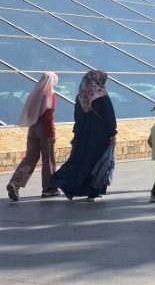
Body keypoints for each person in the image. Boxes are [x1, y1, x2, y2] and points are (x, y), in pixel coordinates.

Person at [49, 70, 117, 202]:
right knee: (97, 163)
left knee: (80, 161)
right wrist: (113, 133)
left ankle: (66, 185)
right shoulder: (102, 96)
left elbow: (77, 117)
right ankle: (93, 193)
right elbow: (109, 117)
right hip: (99, 136)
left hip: (82, 134)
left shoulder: (80, 96)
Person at [6, 72, 59, 201]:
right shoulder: (50, 95)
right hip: (45, 130)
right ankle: (49, 189)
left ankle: (15, 183)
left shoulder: (34, 95)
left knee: (30, 157)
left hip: (33, 129)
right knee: (48, 159)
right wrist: (51, 133)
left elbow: (29, 113)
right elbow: (49, 116)